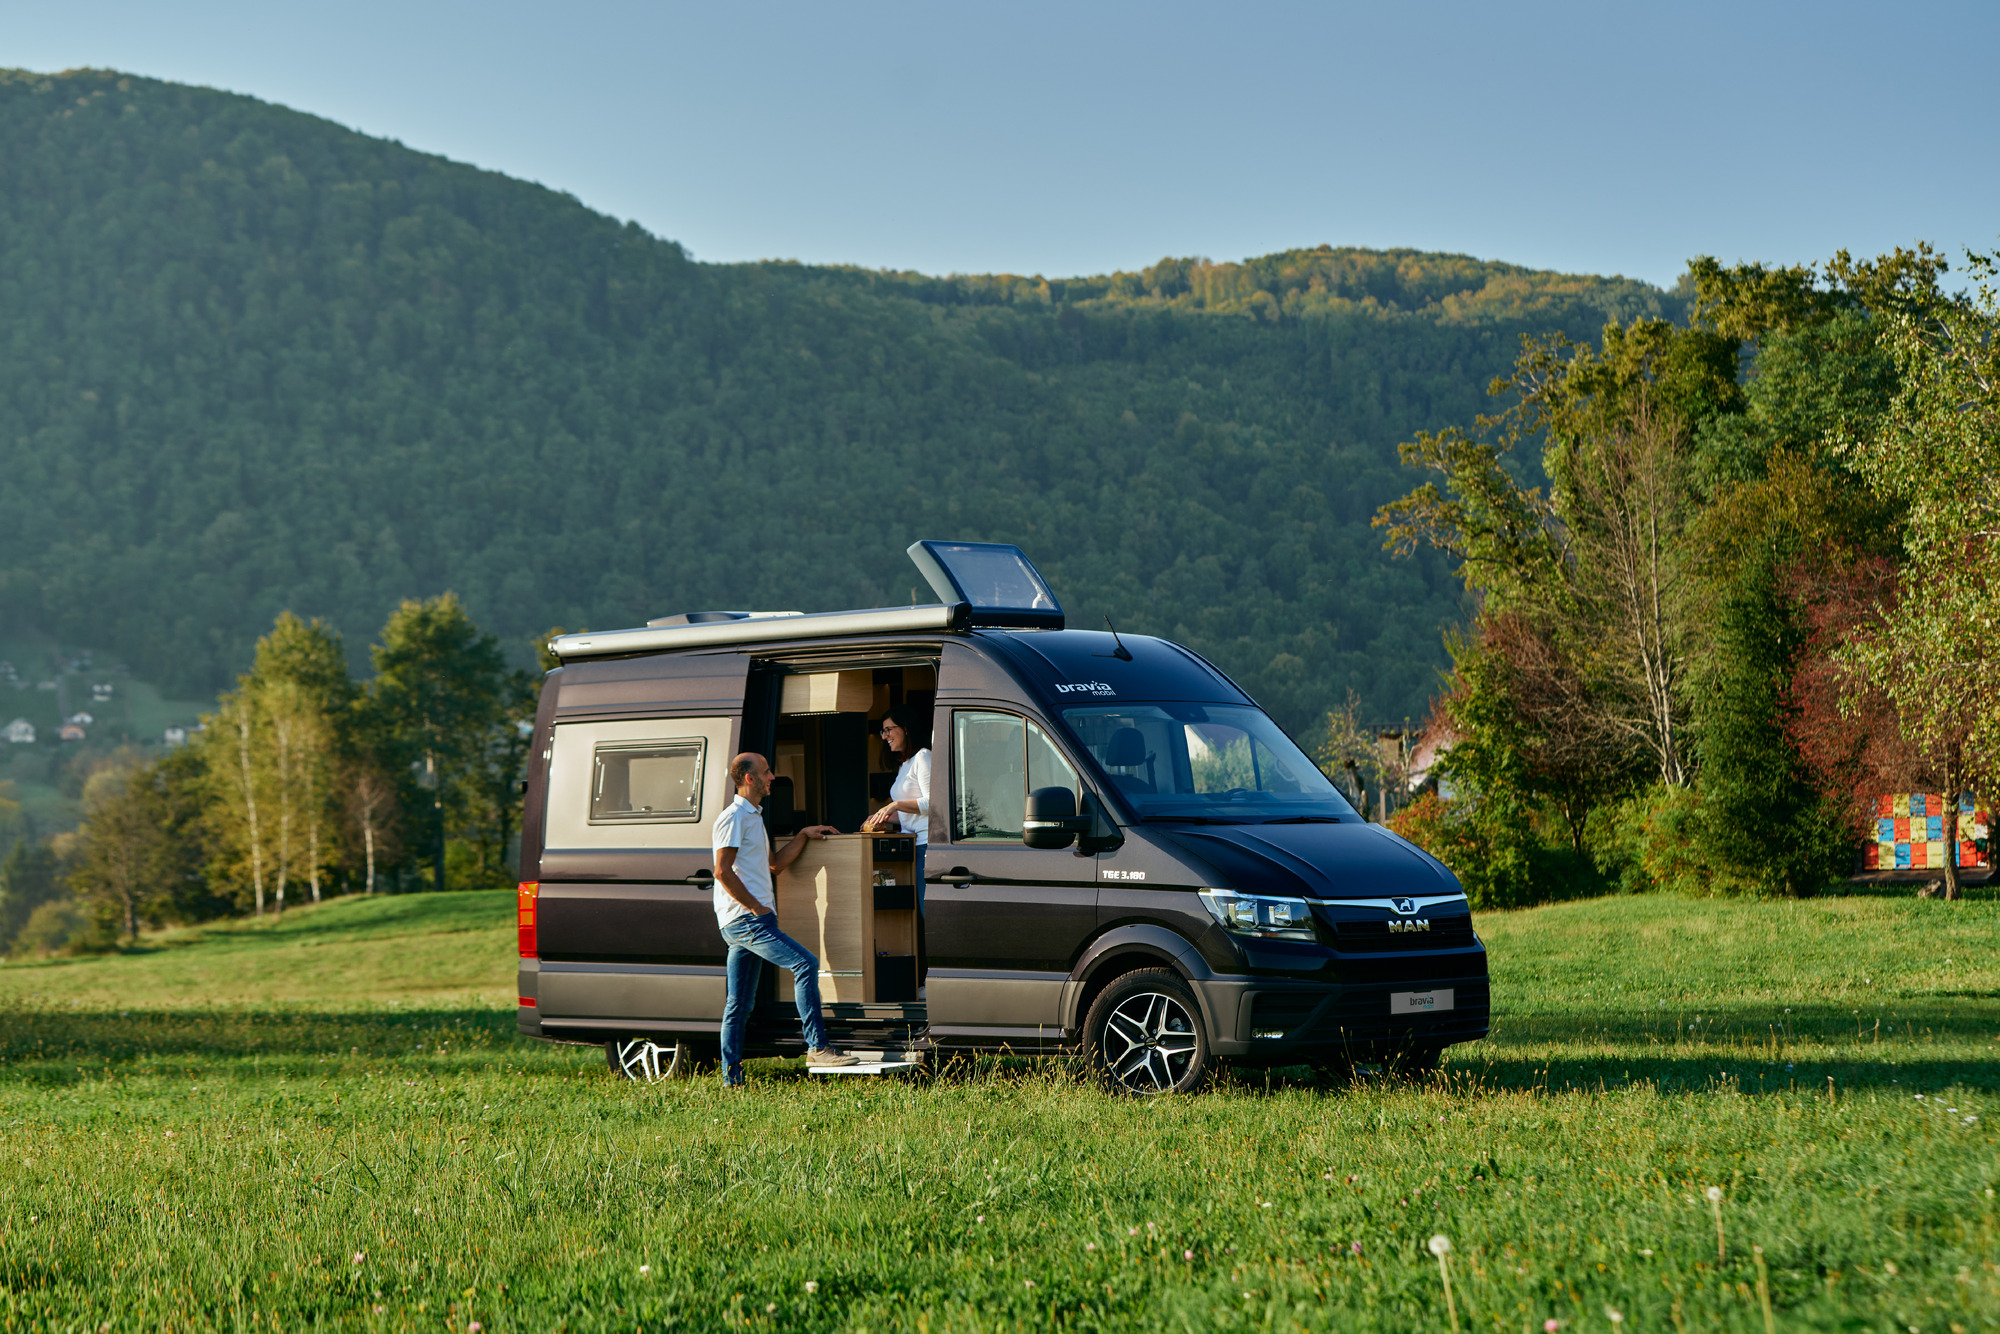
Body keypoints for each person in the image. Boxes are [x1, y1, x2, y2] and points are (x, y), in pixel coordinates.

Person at [712, 751, 858, 1084]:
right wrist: (755, 907)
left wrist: (803, 835)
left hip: (746, 922)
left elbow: (775, 864)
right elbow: (722, 871)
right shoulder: (733, 817)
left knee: (739, 1003)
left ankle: (731, 1080)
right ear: (749, 779)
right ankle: (818, 1048)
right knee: (805, 964)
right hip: (748, 921)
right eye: (766, 772)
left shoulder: (752, 817)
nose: (772, 776)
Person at [860, 705, 931, 990]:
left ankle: (934, 982)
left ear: (907, 729)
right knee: (914, 920)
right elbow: (908, 813)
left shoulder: (923, 757)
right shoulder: (904, 765)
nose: (885, 735)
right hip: (910, 849)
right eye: (883, 731)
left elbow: (933, 803)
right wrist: (882, 818)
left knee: (927, 917)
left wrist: (895, 805)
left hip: (927, 847)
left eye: (890, 729)